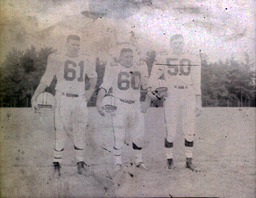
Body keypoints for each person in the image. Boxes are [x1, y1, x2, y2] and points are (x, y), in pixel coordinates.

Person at [31, 34, 97, 176]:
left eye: (77, 45)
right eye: (72, 44)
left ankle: (80, 164)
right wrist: (35, 96)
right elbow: (46, 79)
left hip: (80, 99)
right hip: (63, 98)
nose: (75, 47)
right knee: (60, 130)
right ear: (66, 44)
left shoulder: (86, 58)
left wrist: (91, 90)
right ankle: (57, 164)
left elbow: (93, 76)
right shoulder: (57, 57)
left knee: (80, 130)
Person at [148, 34, 202, 171]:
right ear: (171, 44)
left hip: (188, 94)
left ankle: (189, 161)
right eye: (175, 43)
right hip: (172, 94)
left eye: (180, 43)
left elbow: (196, 81)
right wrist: (153, 89)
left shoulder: (192, 57)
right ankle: (169, 160)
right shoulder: (163, 57)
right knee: (171, 129)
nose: (178, 45)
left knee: (189, 129)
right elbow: (153, 76)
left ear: (183, 43)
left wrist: (198, 101)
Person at [96, 43, 150, 171]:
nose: (129, 59)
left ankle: (138, 160)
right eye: (126, 57)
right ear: (120, 58)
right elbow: (105, 86)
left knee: (138, 134)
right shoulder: (114, 69)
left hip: (135, 105)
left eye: (131, 56)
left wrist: (147, 102)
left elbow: (147, 86)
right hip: (119, 105)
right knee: (119, 134)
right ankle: (117, 162)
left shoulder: (139, 68)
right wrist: (98, 102)